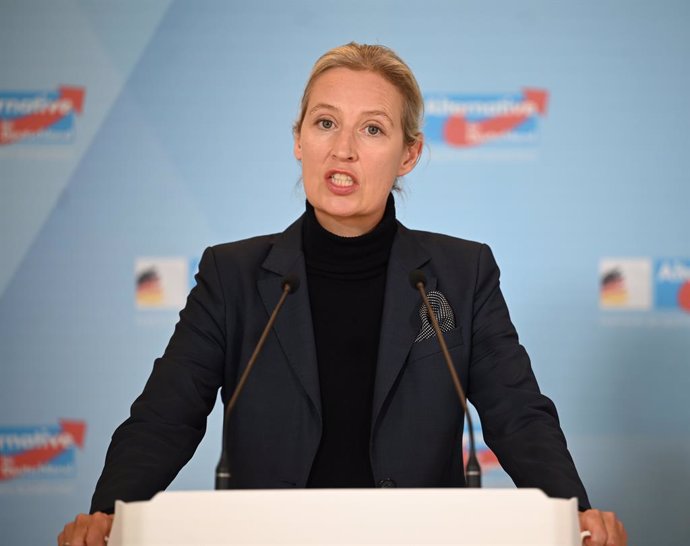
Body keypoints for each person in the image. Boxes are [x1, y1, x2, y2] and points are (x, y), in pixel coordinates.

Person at [58, 42, 627, 546]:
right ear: (299, 141)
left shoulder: (460, 273)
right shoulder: (232, 276)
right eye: (325, 123)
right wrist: (109, 513)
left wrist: (573, 514)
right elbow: (166, 415)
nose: (344, 149)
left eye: (373, 129)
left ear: (409, 154)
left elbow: (518, 416)